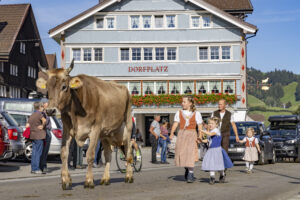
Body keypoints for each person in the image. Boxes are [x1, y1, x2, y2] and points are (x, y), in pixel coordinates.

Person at [170, 95, 203, 183]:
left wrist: (200, 136)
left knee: (191, 154)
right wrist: (172, 133)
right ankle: (187, 168)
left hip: (192, 134)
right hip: (182, 134)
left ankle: (190, 174)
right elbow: (175, 123)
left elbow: (200, 125)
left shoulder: (197, 113)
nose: (182, 103)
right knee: (182, 153)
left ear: (190, 103)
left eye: (184, 102)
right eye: (182, 102)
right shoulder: (179, 112)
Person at [200, 117, 233, 185]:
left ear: (216, 125)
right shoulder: (210, 132)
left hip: (217, 150)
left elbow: (211, 134)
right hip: (211, 150)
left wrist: (202, 130)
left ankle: (222, 174)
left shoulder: (216, 130)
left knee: (219, 164)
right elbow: (208, 140)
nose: (210, 125)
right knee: (211, 164)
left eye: (212, 123)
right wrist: (201, 141)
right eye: (209, 123)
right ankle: (212, 177)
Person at [27, 102, 46, 174]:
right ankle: (37, 168)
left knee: (34, 153)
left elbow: (27, 125)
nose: (43, 108)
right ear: (39, 107)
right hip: (39, 135)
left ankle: (33, 168)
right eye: (42, 107)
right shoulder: (39, 114)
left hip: (33, 135)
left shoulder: (32, 115)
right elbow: (45, 120)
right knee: (38, 153)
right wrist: (42, 126)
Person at [39, 98, 52, 173]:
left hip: (48, 131)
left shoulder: (46, 112)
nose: (48, 104)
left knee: (46, 151)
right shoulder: (42, 113)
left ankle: (44, 165)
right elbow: (44, 123)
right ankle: (42, 166)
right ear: (43, 104)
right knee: (43, 150)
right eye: (47, 103)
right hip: (45, 131)